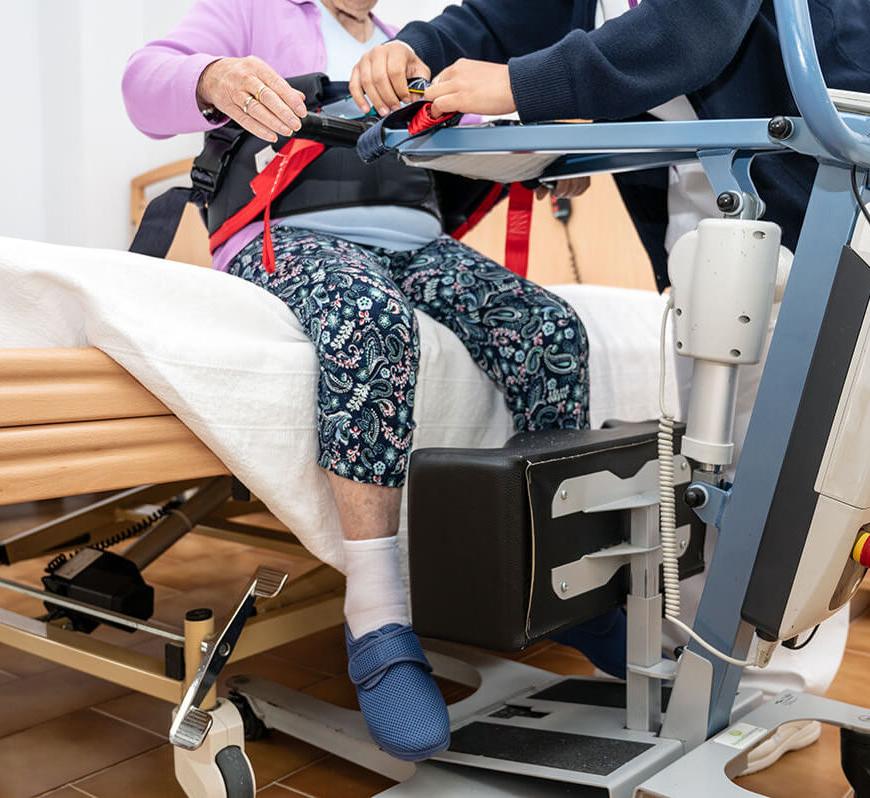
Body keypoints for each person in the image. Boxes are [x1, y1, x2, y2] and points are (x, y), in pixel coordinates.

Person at [351, 0, 870, 768]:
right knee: (722, 472)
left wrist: (514, 86)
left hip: (818, 207)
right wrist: (411, 48)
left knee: (792, 477)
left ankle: (778, 690)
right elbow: (492, 17)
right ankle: (715, 666)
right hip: (707, 230)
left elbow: (690, 28)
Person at [122, 0, 593, 762]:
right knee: (368, 320)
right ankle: (376, 613)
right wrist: (214, 76)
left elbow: (476, 145)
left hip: (417, 241)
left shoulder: (406, 47)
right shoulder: (250, 12)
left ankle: (549, 571)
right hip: (292, 235)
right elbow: (144, 82)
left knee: (548, 329)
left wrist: (538, 160)